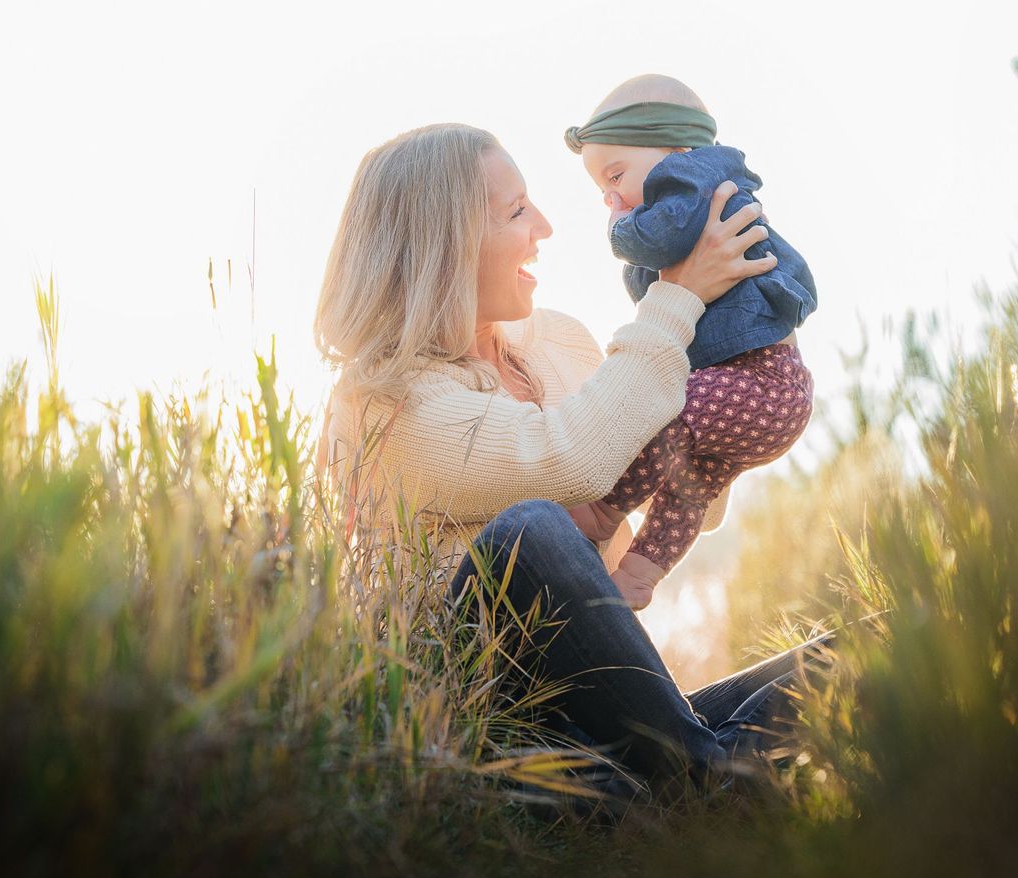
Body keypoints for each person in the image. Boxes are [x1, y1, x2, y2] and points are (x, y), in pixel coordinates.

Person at [314, 122, 822, 793]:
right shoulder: (383, 402)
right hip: (500, 733)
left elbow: (668, 466)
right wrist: (680, 297)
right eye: (517, 211)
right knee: (529, 534)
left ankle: (698, 777)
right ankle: (703, 782)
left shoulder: (561, 341)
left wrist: (738, 364)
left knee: (878, 649)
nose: (545, 227)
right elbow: (571, 462)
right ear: (447, 242)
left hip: (624, 723)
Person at [564, 74, 818, 610]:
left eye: (617, 175)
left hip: (762, 381)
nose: (612, 197)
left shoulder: (697, 181)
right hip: (749, 390)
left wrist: (618, 229)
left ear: (676, 151)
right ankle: (638, 572)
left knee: (667, 411)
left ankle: (606, 510)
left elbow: (659, 239)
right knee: (689, 482)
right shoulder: (685, 197)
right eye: (601, 190)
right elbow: (653, 287)